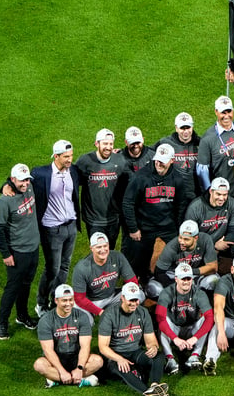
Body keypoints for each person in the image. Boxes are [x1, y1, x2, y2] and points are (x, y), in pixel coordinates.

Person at [97, 282, 170, 396]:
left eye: (136, 300)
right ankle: (148, 392)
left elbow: (150, 339)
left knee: (158, 357)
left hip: (135, 351)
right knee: (123, 367)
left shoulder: (142, 312)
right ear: (122, 298)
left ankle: (154, 386)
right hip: (115, 356)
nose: (134, 303)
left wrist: (153, 347)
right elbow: (103, 347)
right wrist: (119, 359)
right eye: (131, 300)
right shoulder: (109, 315)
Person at [121, 143, 186, 281]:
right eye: (157, 159)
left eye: (163, 161)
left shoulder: (177, 178)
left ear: (172, 161)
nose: (158, 163)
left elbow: (180, 205)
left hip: (168, 227)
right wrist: (133, 229)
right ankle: (139, 283)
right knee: (138, 261)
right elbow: (128, 203)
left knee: (178, 256)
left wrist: (179, 228)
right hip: (145, 226)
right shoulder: (140, 177)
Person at [31, 140, 81, 315]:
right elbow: (18, 181)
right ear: (56, 156)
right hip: (52, 229)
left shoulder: (73, 171)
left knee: (65, 266)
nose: (70, 159)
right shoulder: (41, 174)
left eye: (71, 156)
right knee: (53, 268)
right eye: (66, 157)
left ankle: (57, 299)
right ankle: (41, 303)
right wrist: (7, 185)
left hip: (71, 227)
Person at [0, 163, 41, 339]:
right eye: (21, 181)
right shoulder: (4, 201)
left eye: (27, 179)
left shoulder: (29, 187)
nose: (25, 184)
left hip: (33, 249)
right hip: (17, 252)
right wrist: (6, 254)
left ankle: (22, 316)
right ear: (12, 179)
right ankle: (2, 324)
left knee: (26, 285)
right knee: (12, 288)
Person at [34, 284, 103, 388]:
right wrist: (62, 371)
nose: (68, 304)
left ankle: (56, 380)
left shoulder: (82, 316)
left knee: (98, 361)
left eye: (71, 300)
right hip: (57, 357)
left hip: (76, 356)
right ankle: (81, 380)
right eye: (64, 300)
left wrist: (80, 368)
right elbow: (48, 350)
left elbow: (85, 346)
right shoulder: (46, 320)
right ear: (56, 300)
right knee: (39, 365)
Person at [155, 264, 214, 374]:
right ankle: (170, 359)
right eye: (183, 279)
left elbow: (210, 317)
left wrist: (195, 338)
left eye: (189, 278)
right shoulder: (166, 293)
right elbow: (160, 318)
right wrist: (175, 338)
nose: (186, 282)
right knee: (163, 322)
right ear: (176, 279)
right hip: (174, 327)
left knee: (204, 321)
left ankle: (195, 356)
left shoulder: (199, 293)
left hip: (192, 328)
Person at [75, 128, 128, 247]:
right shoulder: (84, 161)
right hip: (93, 219)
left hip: (113, 218)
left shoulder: (120, 160)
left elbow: (128, 181)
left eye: (111, 143)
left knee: (111, 249)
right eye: (105, 143)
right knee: (99, 249)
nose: (108, 147)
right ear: (96, 143)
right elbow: (74, 183)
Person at [196, 95, 234, 202]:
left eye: (229, 111)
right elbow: (202, 171)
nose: (226, 116)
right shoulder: (207, 139)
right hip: (224, 194)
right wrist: (210, 194)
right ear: (216, 112)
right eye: (223, 112)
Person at [71, 231, 137, 316]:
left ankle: (125, 321)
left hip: (113, 296)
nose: (103, 250)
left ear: (108, 246)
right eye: (99, 247)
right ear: (91, 248)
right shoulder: (82, 268)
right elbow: (79, 298)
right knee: (79, 316)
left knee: (139, 295)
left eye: (105, 246)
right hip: (92, 300)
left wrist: (128, 298)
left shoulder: (117, 257)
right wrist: (100, 312)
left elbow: (133, 282)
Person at [151, 220, 218, 298]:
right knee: (154, 289)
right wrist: (178, 286)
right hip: (175, 276)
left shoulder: (205, 240)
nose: (181, 242)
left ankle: (199, 302)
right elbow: (158, 272)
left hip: (195, 275)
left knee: (213, 280)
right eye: (180, 237)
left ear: (195, 238)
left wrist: (188, 274)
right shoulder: (172, 247)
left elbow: (213, 267)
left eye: (186, 239)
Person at [184, 176, 234, 259]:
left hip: (222, 241)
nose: (221, 198)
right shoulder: (196, 206)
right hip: (201, 243)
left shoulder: (232, 203)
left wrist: (221, 244)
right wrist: (213, 245)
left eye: (225, 195)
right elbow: (189, 235)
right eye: (218, 194)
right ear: (211, 191)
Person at [155, 112, 201, 204]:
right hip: (173, 197)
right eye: (182, 128)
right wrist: (122, 152)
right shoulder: (165, 143)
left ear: (192, 127)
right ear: (176, 128)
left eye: (188, 128)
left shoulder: (201, 144)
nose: (186, 131)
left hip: (196, 196)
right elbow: (147, 152)